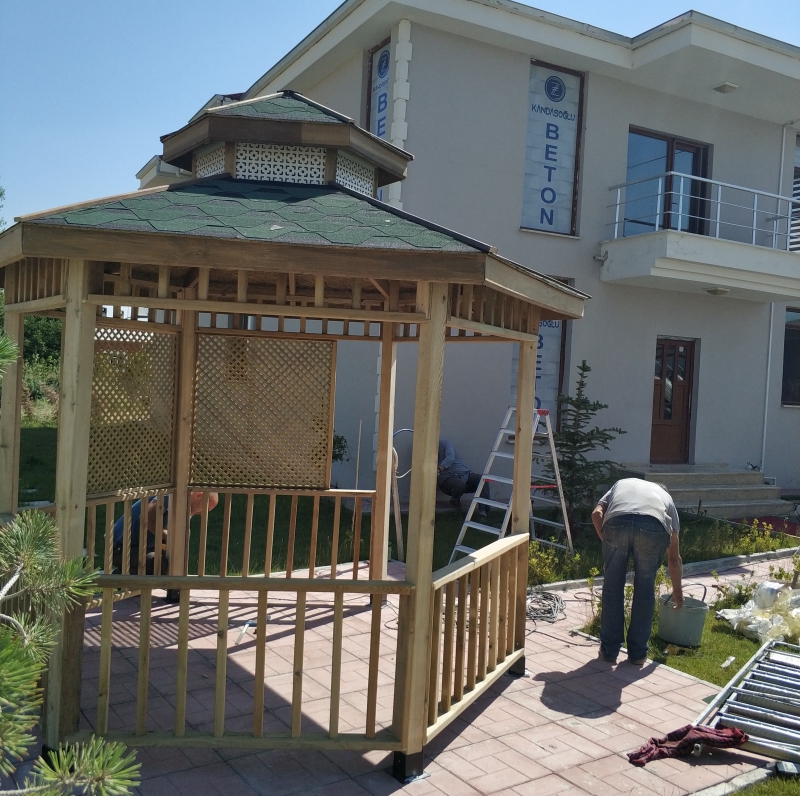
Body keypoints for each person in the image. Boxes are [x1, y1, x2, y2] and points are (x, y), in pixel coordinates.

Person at [591, 478, 683, 665]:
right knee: (645, 589)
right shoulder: (666, 500)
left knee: (612, 587)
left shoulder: (622, 483)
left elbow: (596, 513)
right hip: (653, 526)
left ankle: (609, 651)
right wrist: (677, 591)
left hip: (617, 521)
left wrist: (606, 539)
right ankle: (638, 654)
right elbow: (674, 559)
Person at [112, 491, 219, 574]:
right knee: (159, 564)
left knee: (170, 563)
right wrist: (168, 536)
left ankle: (130, 578)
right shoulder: (170, 497)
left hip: (143, 547)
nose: (202, 514)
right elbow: (146, 519)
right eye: (205, 509)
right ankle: (120, 577)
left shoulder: (185, 508)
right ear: (198, 495)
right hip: (121, 548)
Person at [437, 438, 490, 517]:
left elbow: (450, 457)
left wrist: (439, 468)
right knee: (459, 484)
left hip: (465, 473)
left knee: (482, 479)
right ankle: (455, 500)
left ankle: (483, 511)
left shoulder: (445, 443)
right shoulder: (425, 452)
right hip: (447, 478)